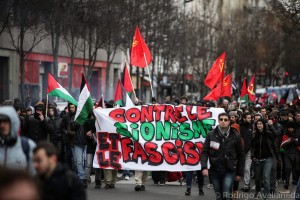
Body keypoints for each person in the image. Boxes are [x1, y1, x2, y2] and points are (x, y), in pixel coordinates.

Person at [201, 113, 245, 200]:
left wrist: (239, 173)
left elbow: (241, 155)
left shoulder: (235, 135)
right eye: (221, 119)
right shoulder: (211, 134)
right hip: (215, 169)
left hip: (230, 169)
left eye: (225, 120)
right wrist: (204, 167)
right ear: (218, 121)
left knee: (226, 193)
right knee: (218, 194)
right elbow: (204, 152)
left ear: (229, 122)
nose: (223, 122)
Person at [0, 106, 36, 175]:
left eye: (5, 121)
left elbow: (34, 176)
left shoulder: (27, 146)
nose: (2, 125)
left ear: (13, 122)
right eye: (0, 122)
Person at [251, 119, 279, 199]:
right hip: (257, 160)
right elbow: (252, 147)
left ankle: (266, 196)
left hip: (268, 159)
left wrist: (277, 157)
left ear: (264, 125)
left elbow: (273, 146)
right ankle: (258, 190)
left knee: (266, 177)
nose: (259, 125)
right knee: (257, 178)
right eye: (258, 124)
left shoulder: (269, 134)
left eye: (261, 124)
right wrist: (252, 156)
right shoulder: (254, 134)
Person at [240, 112, 253, 192]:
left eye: (250, 118)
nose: (249, 119)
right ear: (244, 118)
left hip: (249, 151)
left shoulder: (252, 126)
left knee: (247, 168)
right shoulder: (239, 126)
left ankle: (246, 185)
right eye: (248, 118)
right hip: (240, 151)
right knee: (239, 168)